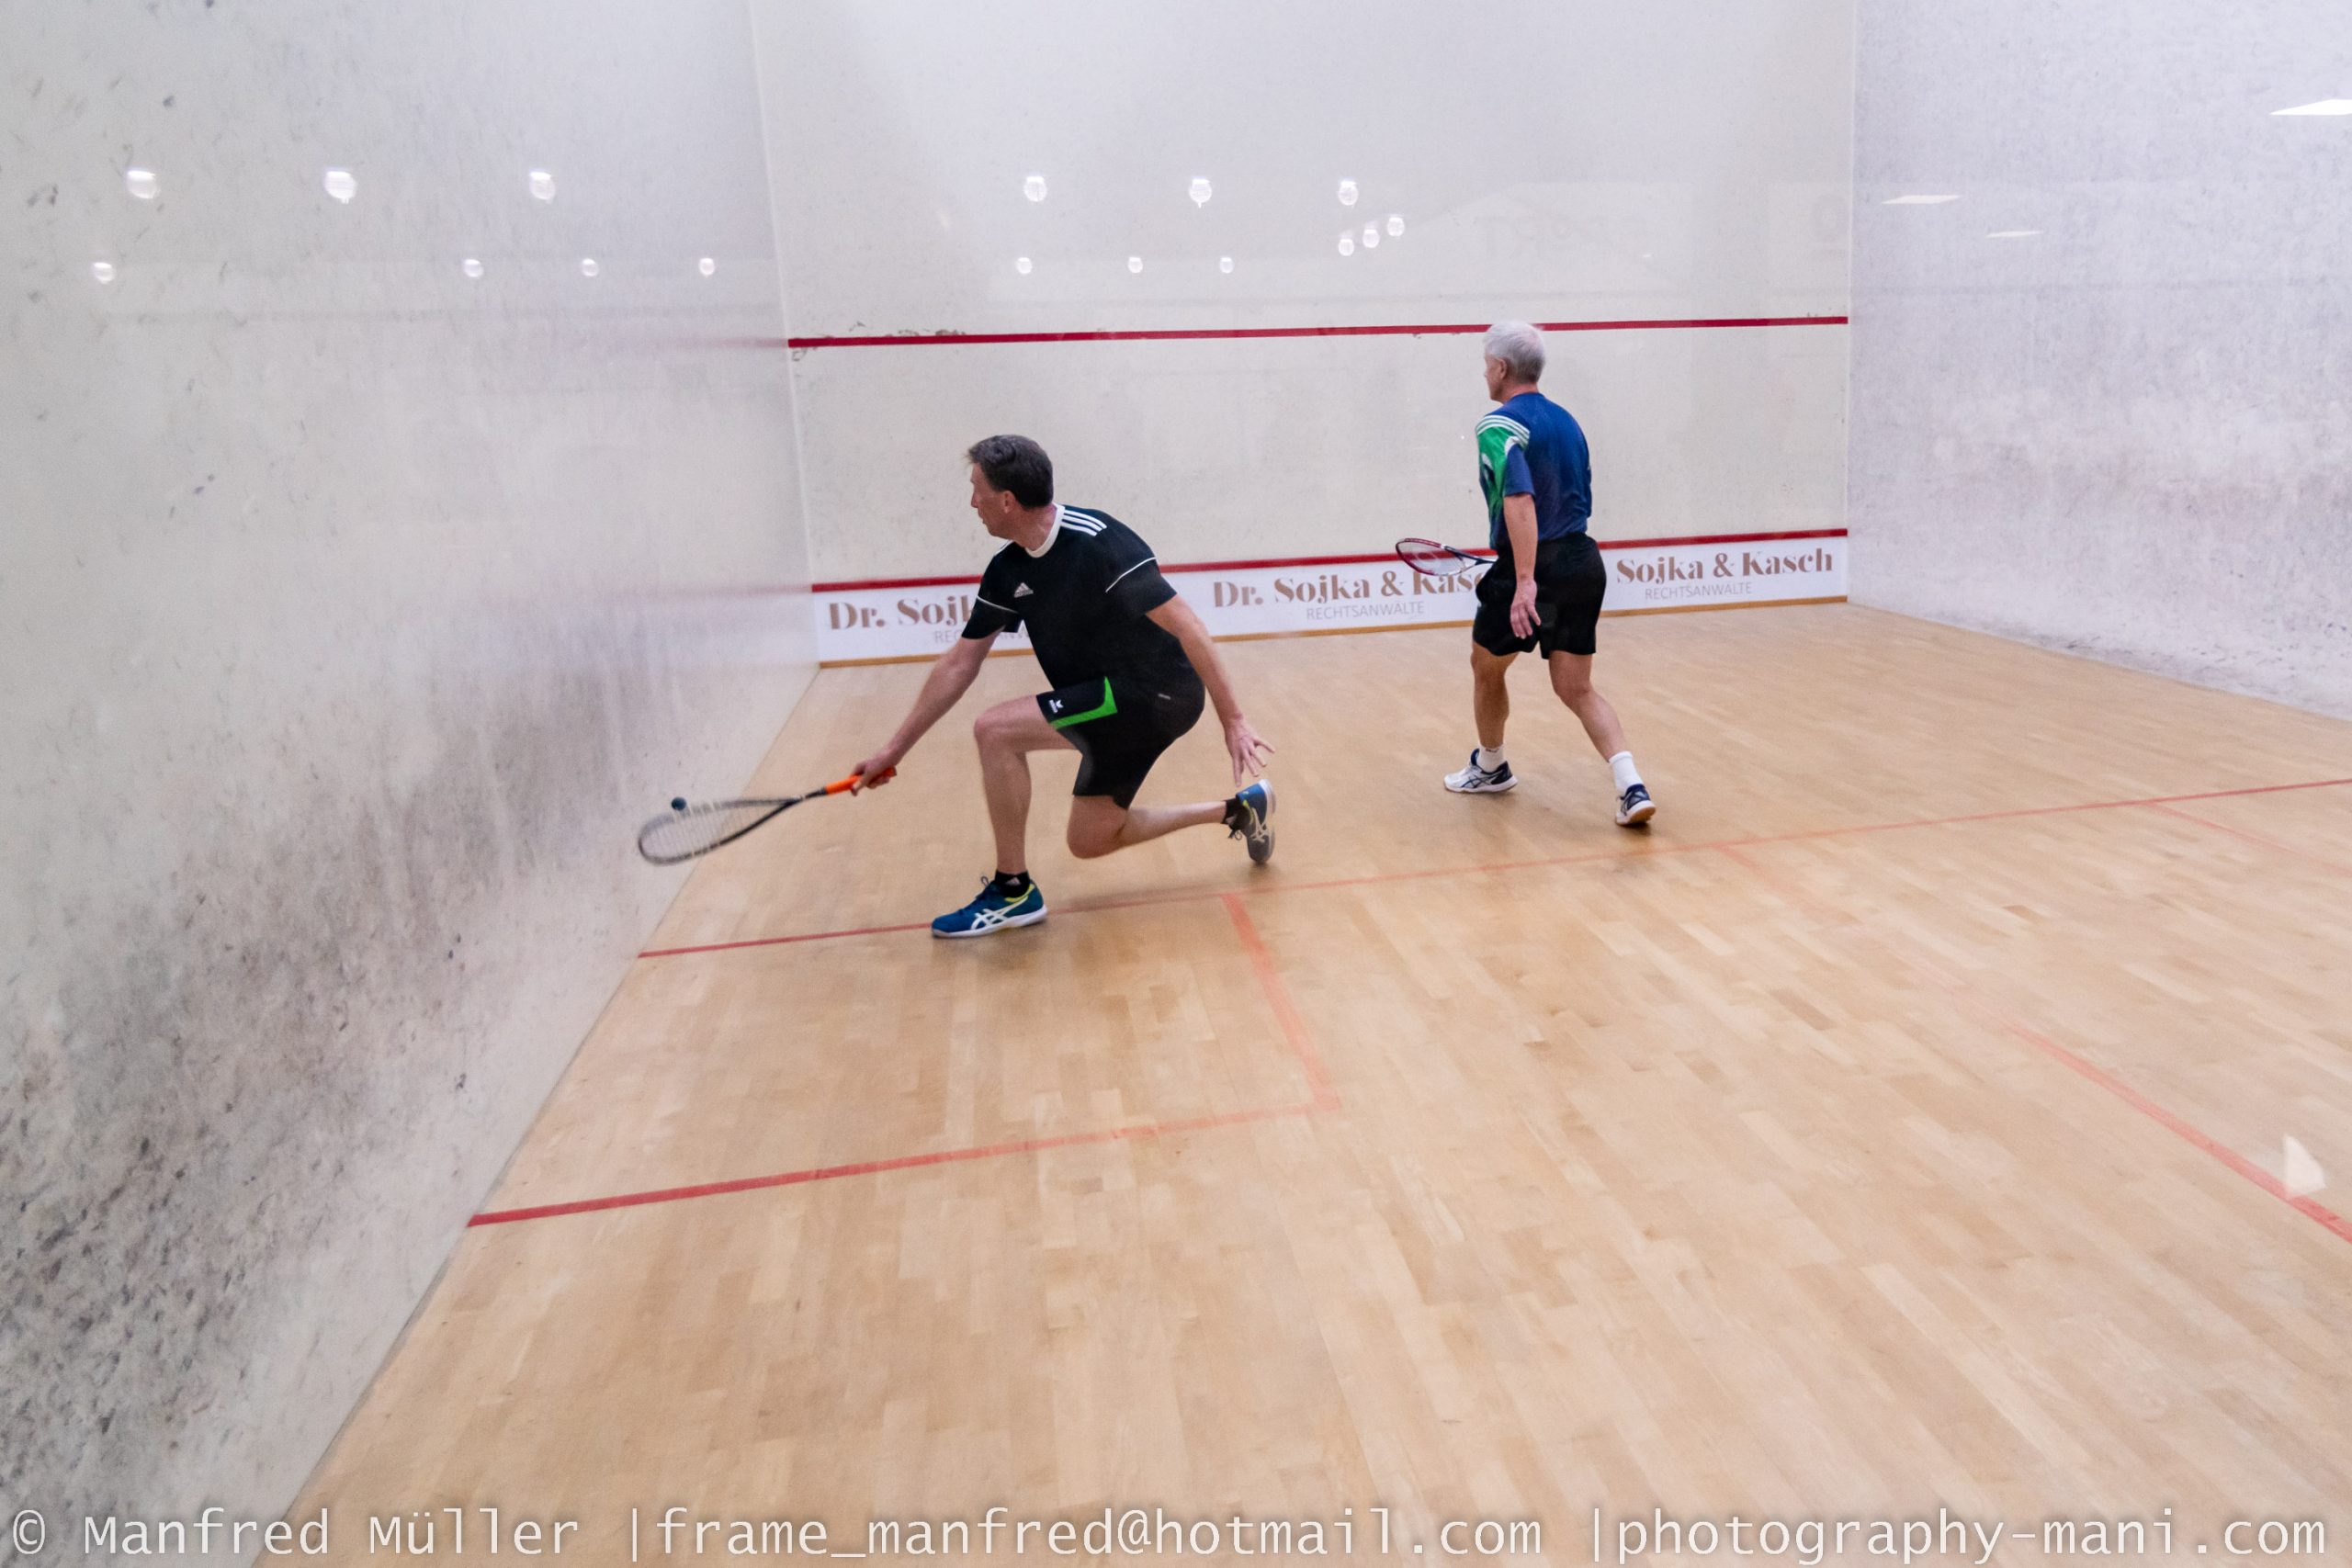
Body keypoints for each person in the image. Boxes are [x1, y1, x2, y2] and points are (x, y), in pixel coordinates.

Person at [851, 435, 1275, 937]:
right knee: (1091, 840)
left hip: (1155, 693)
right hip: (1116, 700)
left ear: (1007, 500)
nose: (972, 502)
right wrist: (894, 750)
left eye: (977, 490)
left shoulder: (1099, 543)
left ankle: (1013, 892)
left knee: (995, 731)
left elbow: (1190, 627)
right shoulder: (1008, 569)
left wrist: (1234, 720)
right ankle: (1240, 810)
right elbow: (961, 664)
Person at [1444, 321, 1655, 826]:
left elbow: (1520, 499)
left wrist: (1523, 580)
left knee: (1486, 666)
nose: (1484, 374)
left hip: (1533, 565)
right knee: (1575, 687)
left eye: (1486, 366)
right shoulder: (1567, 421)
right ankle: (1631, 785)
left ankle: (1491, 766)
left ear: (1501, 368)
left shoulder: (1498, 425)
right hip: (1583, 562)